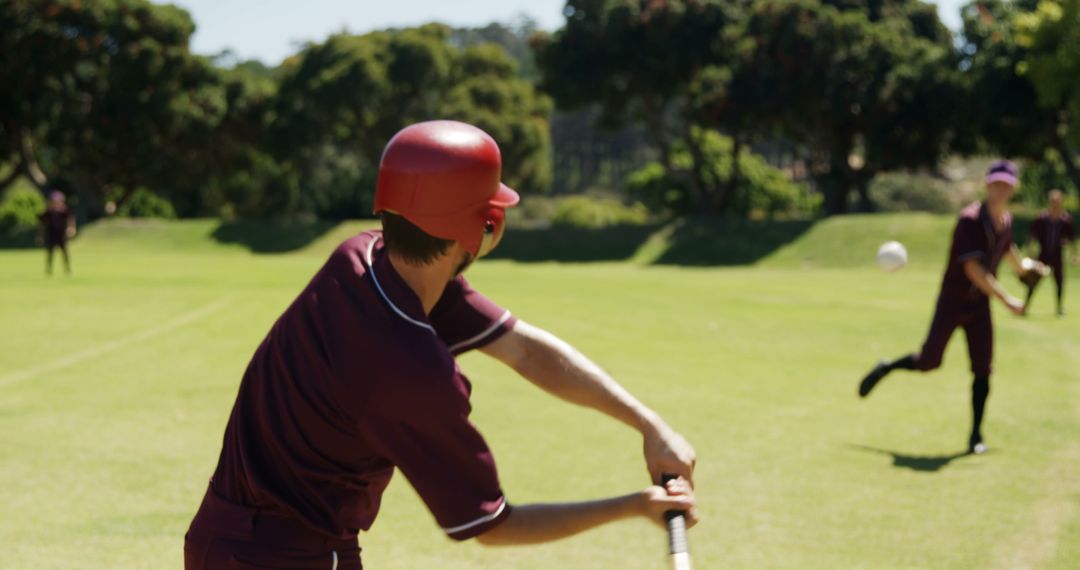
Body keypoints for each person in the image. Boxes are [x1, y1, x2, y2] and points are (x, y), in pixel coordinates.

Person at [184, 121, 697, 570]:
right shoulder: (410, 369)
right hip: (290, 557)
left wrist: (648, 425)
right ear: (485, 228)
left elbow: (524, 349)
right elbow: (492, 526)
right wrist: (634, 506)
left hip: (220, 537)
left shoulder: (366, 260)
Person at [857, 160, 1046, 455]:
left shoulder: (1005, 220)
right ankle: (887, 367)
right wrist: (1008, 299)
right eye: (996, 183)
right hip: (953, 301)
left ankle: (975, 436)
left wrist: (1023, 270)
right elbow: (973, 268)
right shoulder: (969, 220)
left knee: (983, 368)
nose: (1000, 189)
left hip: (979, 305)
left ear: (1013, 188)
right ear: (987, 185)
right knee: (929, 361)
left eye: (1006, 185)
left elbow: (1006, 247)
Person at [1025, 189, 1077, 317]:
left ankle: (1059, 308)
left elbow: (1071, 238)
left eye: (1057, 202)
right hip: (1043, 254)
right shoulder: (1041, 218)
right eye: (1053, 201)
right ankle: (1025, 306)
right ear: (1049, 202)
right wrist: (1030, 250)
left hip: (1057, 254)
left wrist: (1074, 254)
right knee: (1034, 280)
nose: (1055, 204)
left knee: (1059, 281)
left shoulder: (1065, 220)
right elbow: (1032, 235)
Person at [37, 190, 76, 276]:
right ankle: (49, 271)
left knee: (65, 253)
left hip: (62, 236)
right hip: (51, 235)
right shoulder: (48, 212)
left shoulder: (64, 211)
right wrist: (40, 236)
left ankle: (68, 270)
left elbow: (71, 219)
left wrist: (71, 228)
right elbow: (41, 224)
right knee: (50, 253)